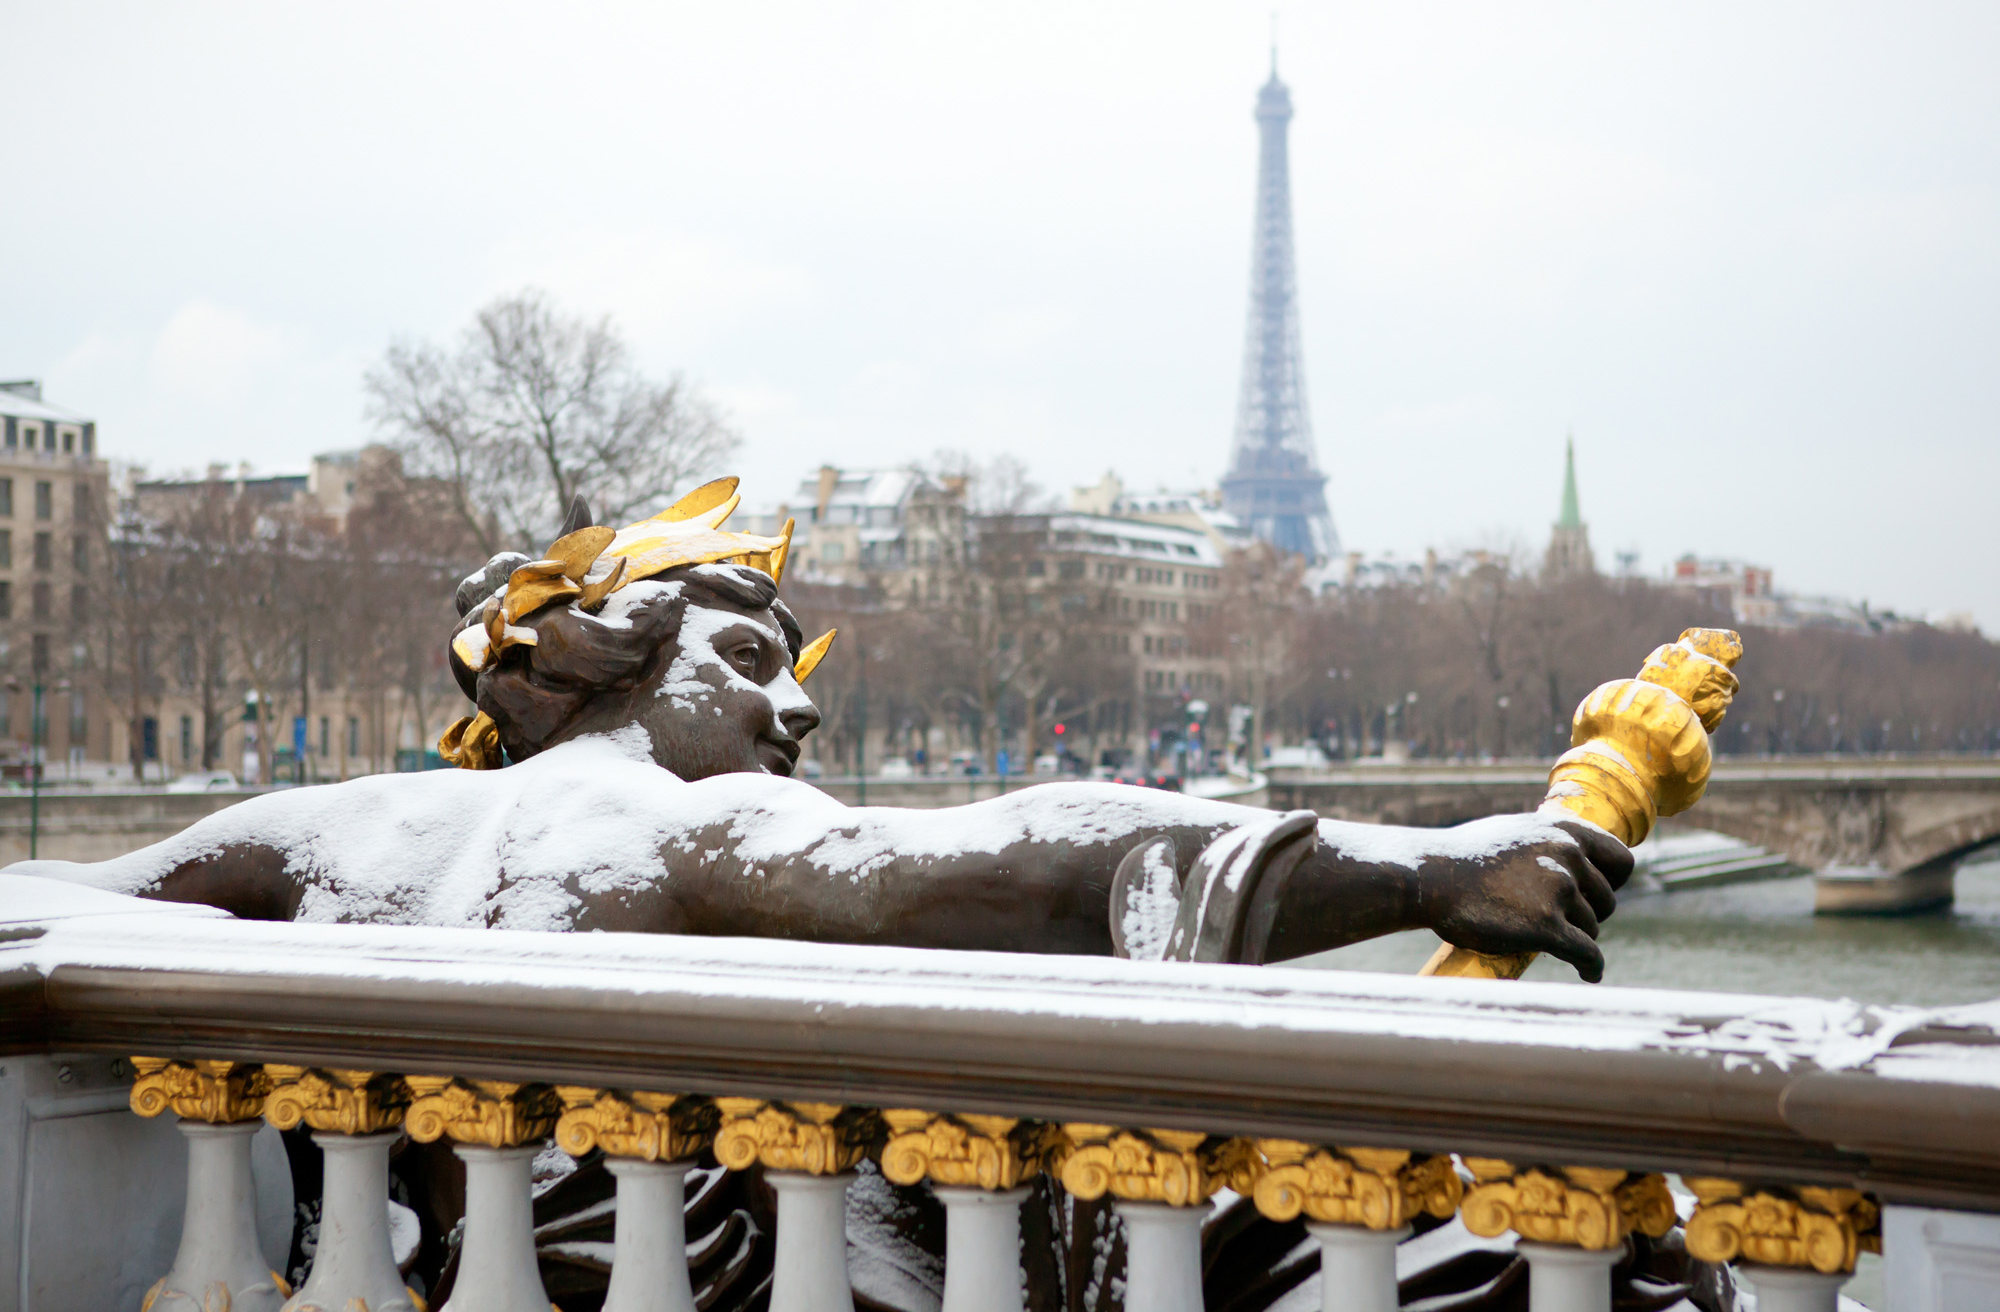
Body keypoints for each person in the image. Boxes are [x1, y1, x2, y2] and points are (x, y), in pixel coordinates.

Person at [17, 479, 1631, 979]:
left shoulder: (341, 827)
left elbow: (57, 900)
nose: (799, 700)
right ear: (618, 657)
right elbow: (1027, 856)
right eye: (748, 652)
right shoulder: (673, 823)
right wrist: (1427, 868)